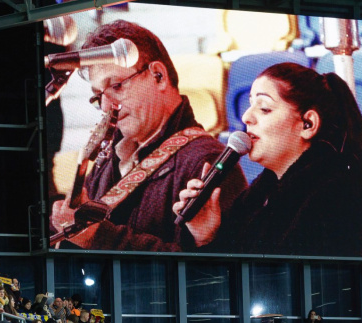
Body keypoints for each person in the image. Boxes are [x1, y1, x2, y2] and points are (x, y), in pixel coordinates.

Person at [49, 20, 246, 252]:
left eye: (117, 86)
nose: (106, 107)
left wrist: (98, 237)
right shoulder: (108, 156)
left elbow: (204, 273)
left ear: (159, 76)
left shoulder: (211, 164)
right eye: (98, 96)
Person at [174, 62, 362, 257]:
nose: (246, 117)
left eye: (264, 108)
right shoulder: (259, 196)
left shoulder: (341, 199)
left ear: (307, 124)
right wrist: (207, 237)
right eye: (250, 105)